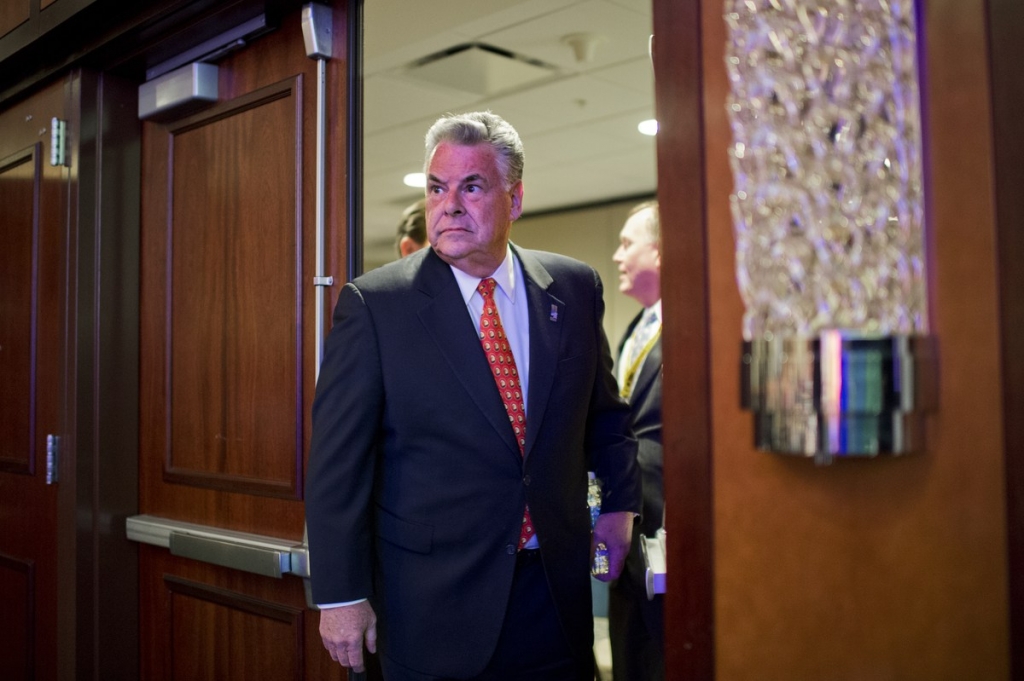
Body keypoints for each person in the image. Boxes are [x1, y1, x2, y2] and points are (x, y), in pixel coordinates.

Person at [306, 111, 642, 680]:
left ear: (514, 200)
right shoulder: (377, 305)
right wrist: (339, 595)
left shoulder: (573, 289)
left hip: (553, 596)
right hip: (433, 603)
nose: (449, 205)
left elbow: (604, 418)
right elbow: (337, 468)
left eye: (472, 186)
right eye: (438, 188)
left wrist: (620, 505)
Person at [608, 200, 665, 681]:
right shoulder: (636, 328)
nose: (617, 256)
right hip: (623, 530)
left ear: (661, 252)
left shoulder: (691, 328)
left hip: (668, 534)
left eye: (628, 244)